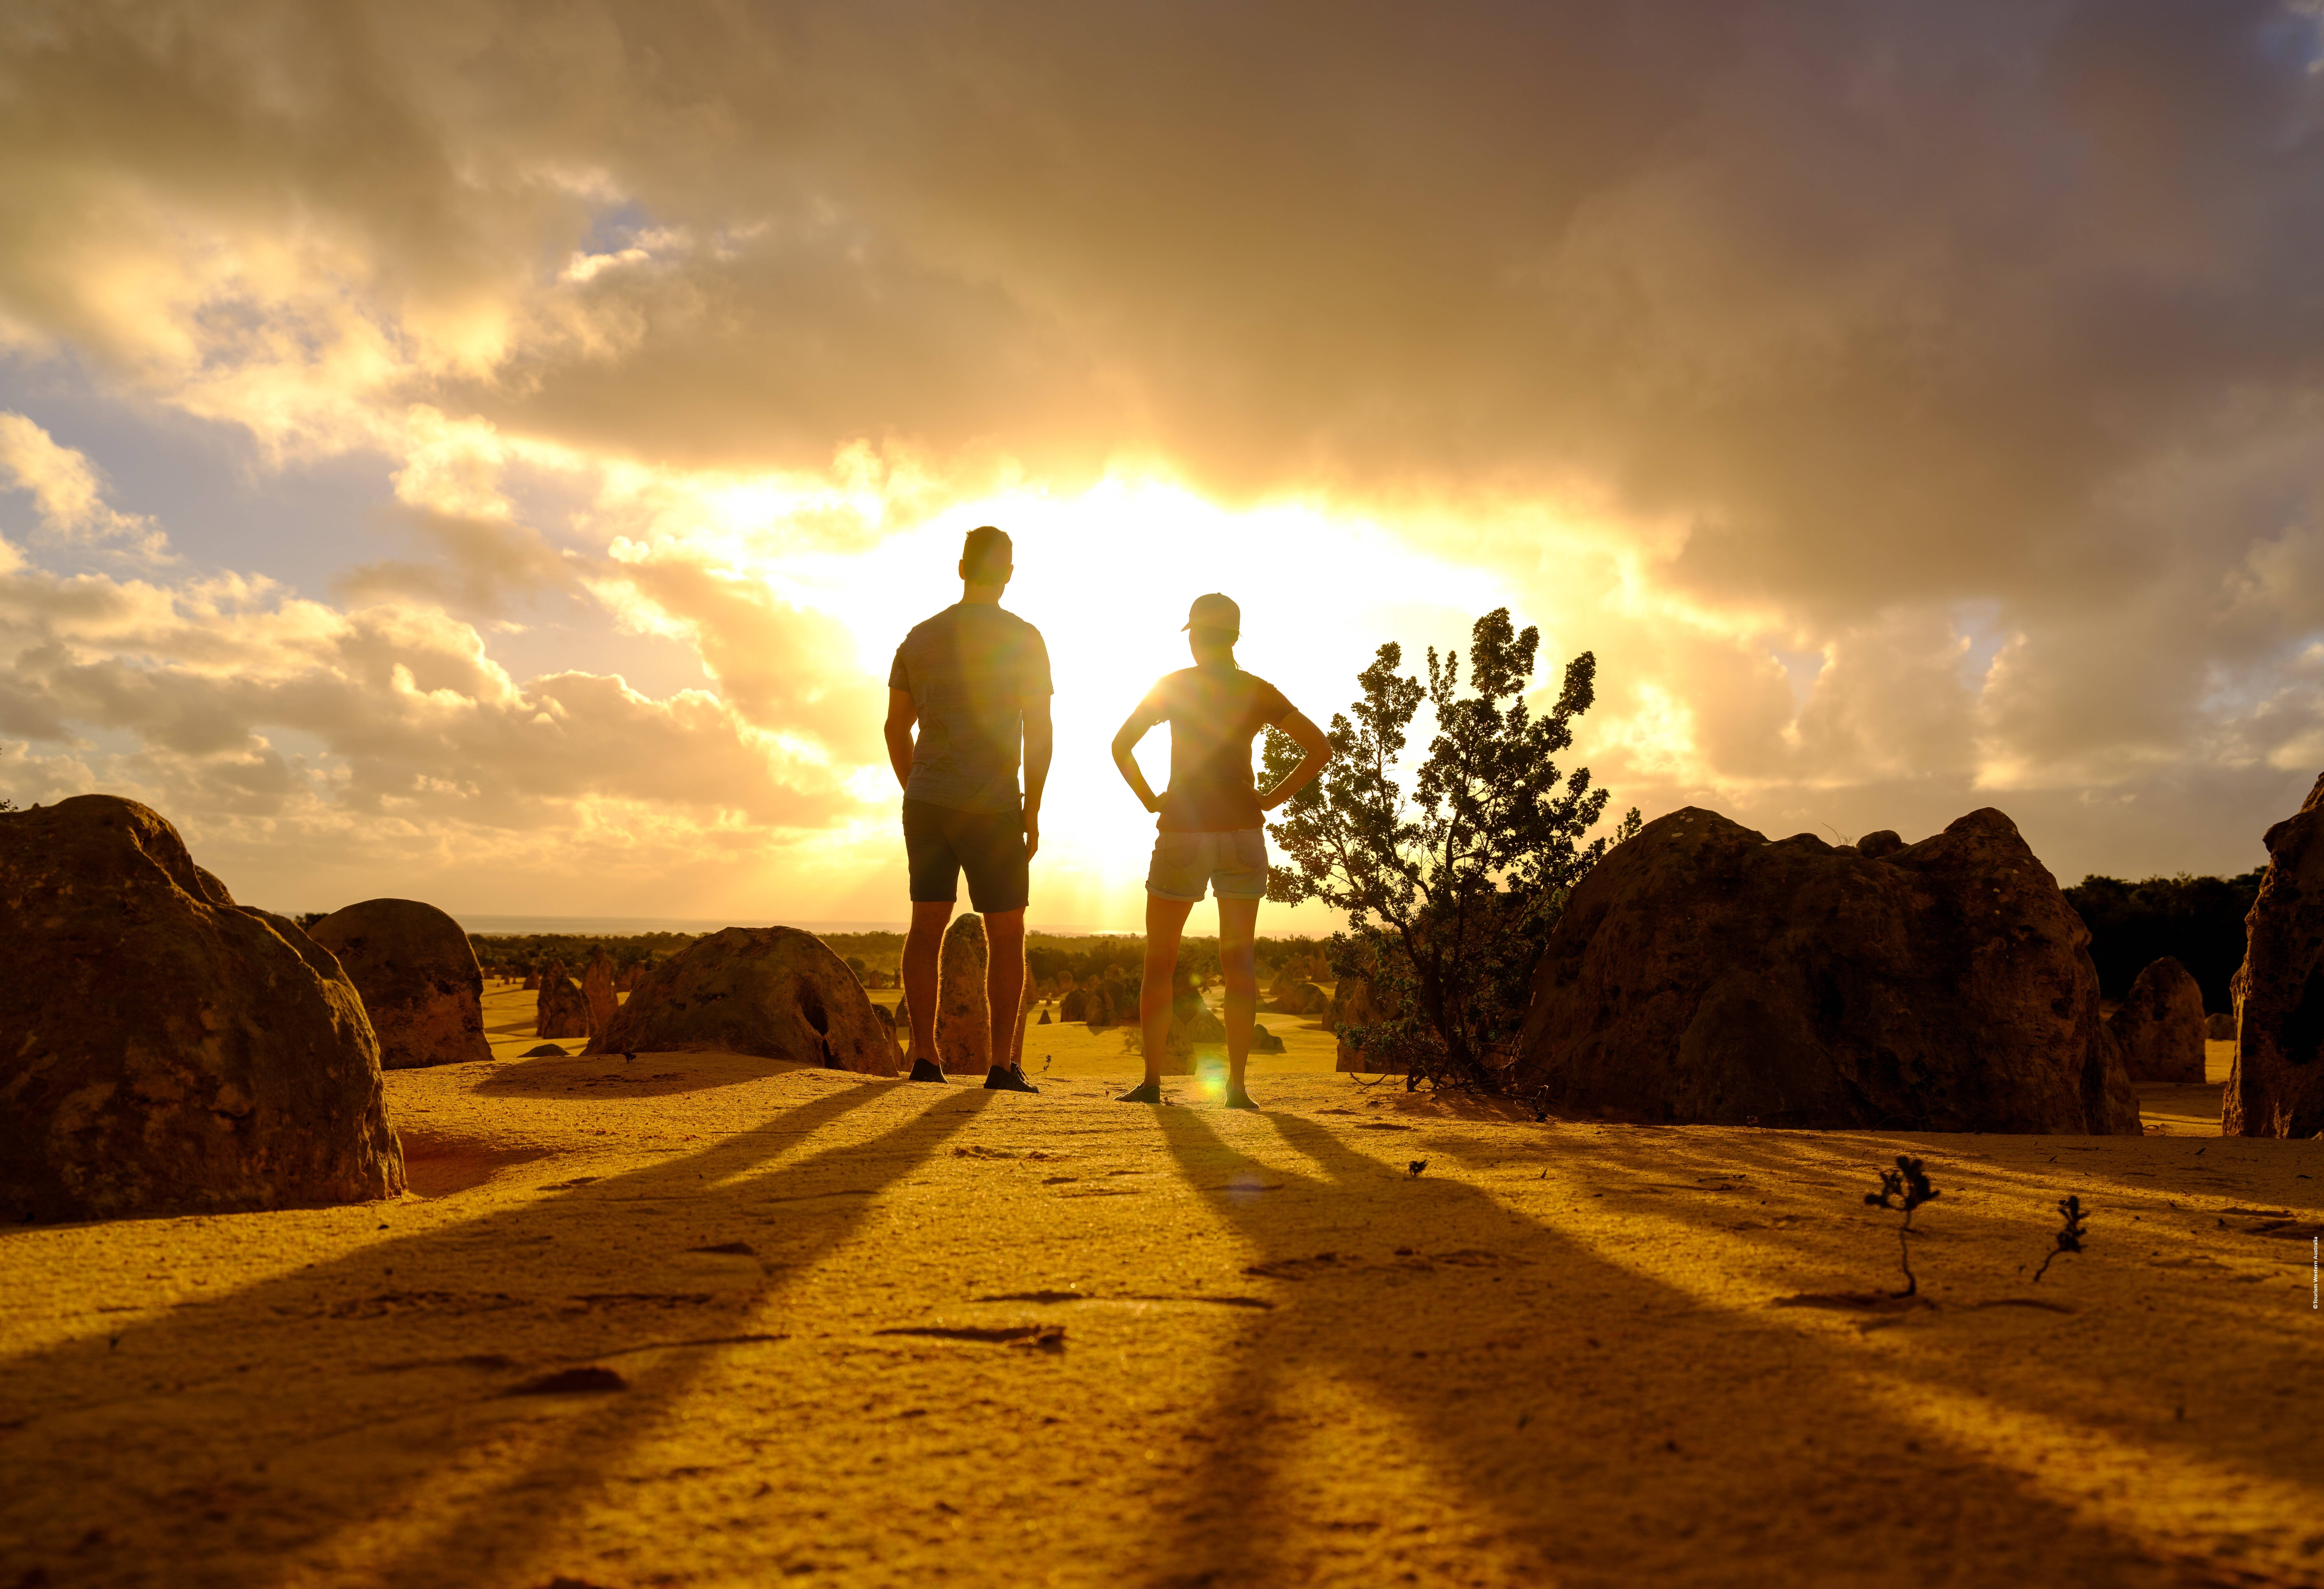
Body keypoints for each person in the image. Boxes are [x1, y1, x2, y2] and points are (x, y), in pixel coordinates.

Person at [1109, 593, 1331, 1108]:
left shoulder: (1173, 687)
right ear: (1233, 638)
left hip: (1183, 831)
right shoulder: (1256, 690)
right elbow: (1319, 748)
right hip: (1241, 836)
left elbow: (1120, 745)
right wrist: (1270, 798)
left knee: (1159, 962)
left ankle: (1151, 1084)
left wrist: (1149, 799)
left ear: (1195, 635)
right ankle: (1236, 1088)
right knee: (1240, 965)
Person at [885, 525, 1051, 1093]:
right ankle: (1001, 1066)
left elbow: (894, 728)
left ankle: (925, 1059)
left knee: (925, 925)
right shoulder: (1024, 638)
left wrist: (918, 787)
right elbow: (1040, 731)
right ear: (1007, 573)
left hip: (927, 802)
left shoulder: (919, 638)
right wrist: (1033, 810)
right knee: (1006, 932)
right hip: (994, 804)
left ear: (960, 569)